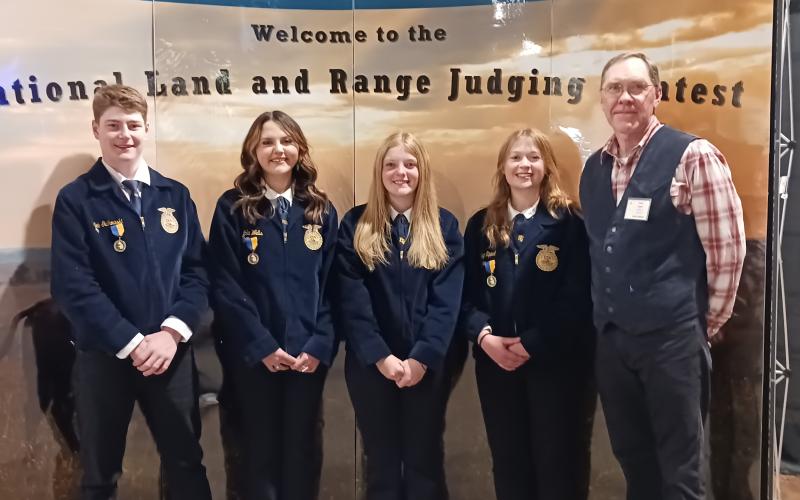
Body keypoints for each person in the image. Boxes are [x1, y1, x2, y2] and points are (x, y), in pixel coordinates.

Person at [579, 52, 746, 500]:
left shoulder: (693, 155)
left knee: (681, 473)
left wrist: (700, 325)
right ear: (602, 99)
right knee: (635, 464)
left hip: (673, 340)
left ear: (657, 94)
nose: (625, 98)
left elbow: (727, 250)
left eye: (636, 87)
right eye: (615, 88)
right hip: (613, 343)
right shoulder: (592, 168)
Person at [50, 84, 211, 500]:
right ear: (96, 130)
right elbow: (74, 287)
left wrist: (171, 334)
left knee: (186, 465)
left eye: (134, 125)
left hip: (171, 356)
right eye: (114, 126)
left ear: (146, 129)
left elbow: (198, 274)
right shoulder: (76, 201)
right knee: (100, 474)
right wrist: (133, 343)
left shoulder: (174, 196)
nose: (125, 135)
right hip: (105, 360)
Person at [459, 128, 595, 500]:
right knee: (508, 462)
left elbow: (578, 299)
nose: (524, 165)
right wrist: (484, 338)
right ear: (502, 167)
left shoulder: (570, 224)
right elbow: (465, 297)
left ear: (547, 167)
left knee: (557, 464)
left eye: (533, 157)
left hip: (556, 365)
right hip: (496, 366)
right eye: (516, 157)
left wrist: (533, 343)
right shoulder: (480, 226)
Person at [208, 110, 338, 500]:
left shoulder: (320, 210)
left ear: (299, 148)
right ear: (253, 150)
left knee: (302, 453)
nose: (277, 149)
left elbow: (335, 288)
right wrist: (261, 346)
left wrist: (317, 346)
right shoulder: (232, 208)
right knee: (256, 456)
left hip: (305, 361)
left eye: (286, 141)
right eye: (267, 142)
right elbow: (225, 286)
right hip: (254, 360)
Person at [335, 132, 464, 500]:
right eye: (391, 164)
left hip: (429, 366)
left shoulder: (445, 226)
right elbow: (352, 300)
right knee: (381, 461)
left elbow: (446, 302)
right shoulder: (355, 225)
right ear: (379, 172)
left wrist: (422, 358)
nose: (400, 172)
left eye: (410, 164)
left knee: (425, 460)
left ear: (422, 171)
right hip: (371, 367)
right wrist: (380, 356)